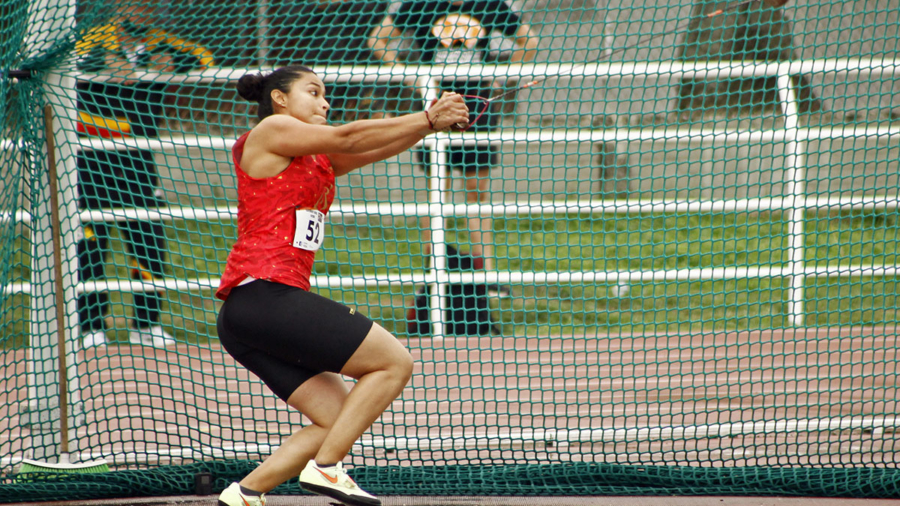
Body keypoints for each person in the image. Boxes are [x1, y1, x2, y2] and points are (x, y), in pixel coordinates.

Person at [214, 66, 469, 506]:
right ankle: (328, 469)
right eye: (313, 92)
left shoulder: (313, 159)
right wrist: (427, 118)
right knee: (393, 363)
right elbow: (348, 137)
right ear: (279, 98)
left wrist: (428, 127)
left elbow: (371, 148)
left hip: (250, 313)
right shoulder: (272, 130)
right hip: (263, 296)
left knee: (339, 416)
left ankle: (245, 493)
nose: (324, 102)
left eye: (326, 95)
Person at [75, 4, 214, 348]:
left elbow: (205, 59)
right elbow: (67, 62)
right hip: (91, 164)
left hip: (138, 166)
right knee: (90, 248)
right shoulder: (92, 43)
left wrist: (157, 66)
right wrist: (104, 67)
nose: (142, 11)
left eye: (150, 6)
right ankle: (92, 325)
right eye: (135, 4)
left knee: (149, 243)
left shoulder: (164, 44)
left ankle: (145, 324)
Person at [367, 0, 538, 271]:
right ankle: (434, 267)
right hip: (433, 102)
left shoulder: (491, 5)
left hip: (477, 104)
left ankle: (485, 272)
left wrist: (499, 76)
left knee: (477, 189)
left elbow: (528, 42)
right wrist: (411, 75)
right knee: (437, 187)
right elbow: (377, 40)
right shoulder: (420, 4)